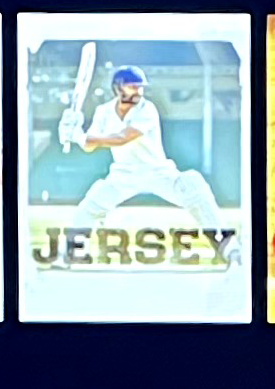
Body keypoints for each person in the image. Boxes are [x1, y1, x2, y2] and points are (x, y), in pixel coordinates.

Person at [67, 61, 235, 256]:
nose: (138, 91)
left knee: (194, 186)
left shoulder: (147, 109)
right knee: (88, 208)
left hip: (157, 171)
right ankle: (72, 252)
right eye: (132, 86)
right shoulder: (103, 111)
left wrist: (80, 137)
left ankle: (227, 248)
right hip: (123, 174)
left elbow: (122, 138)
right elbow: (90, 145)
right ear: (118, 88)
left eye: (140, 87)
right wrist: (74, 133)